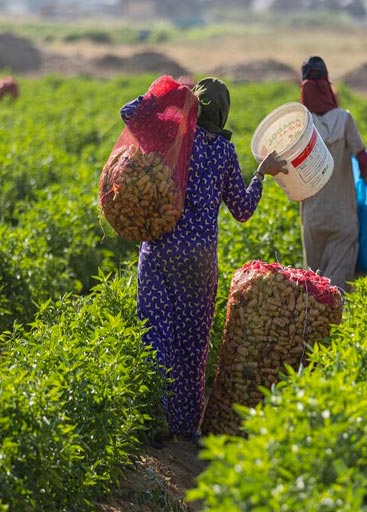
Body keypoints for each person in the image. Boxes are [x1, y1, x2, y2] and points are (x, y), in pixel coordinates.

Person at [119, 77, 287, 443]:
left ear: (193, 106)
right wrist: (261, 174)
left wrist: (171, 96)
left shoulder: (173, 138)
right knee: (192, 345)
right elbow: (242, 210)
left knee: (155, 335)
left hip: (160, 251)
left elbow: (128, 113)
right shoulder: (223, 153)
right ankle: (186, 426)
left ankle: (154, 417)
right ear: (223, 113)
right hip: (198, 259)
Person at [298, 56, 367, 292]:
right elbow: (361, 156)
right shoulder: (344, 118)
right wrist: (366, 180)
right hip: (342, 215)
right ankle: (337, 327)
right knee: (336, 288)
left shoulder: (301, 123)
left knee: (315, 283)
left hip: (314, 216)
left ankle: (316, 327)